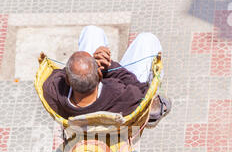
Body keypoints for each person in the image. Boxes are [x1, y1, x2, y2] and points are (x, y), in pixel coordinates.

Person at [42, 25, 171, 125]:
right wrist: (107, 65)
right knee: (148, 40)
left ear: (68, 81)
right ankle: (153, 112)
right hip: (120, 106)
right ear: (99, 75)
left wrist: (93, 61)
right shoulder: (119, 93)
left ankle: (87, 68)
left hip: (79, 113)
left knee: (91, 31)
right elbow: (141, 89)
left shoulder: (53, 91)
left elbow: (57, 73)